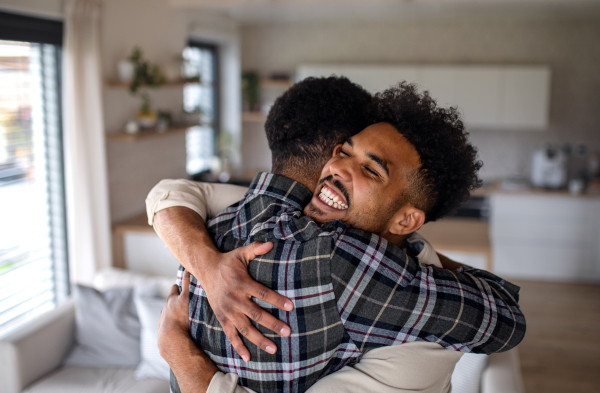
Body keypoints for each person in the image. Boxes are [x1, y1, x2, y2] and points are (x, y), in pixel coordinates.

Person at [147, 79, 526, 393]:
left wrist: (175, 346)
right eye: (344, 151)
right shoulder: (339, 258)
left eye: (371, 170)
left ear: (407, 220)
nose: (339, 166)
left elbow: (166, 194)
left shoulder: (228, 216)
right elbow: (506, 320)